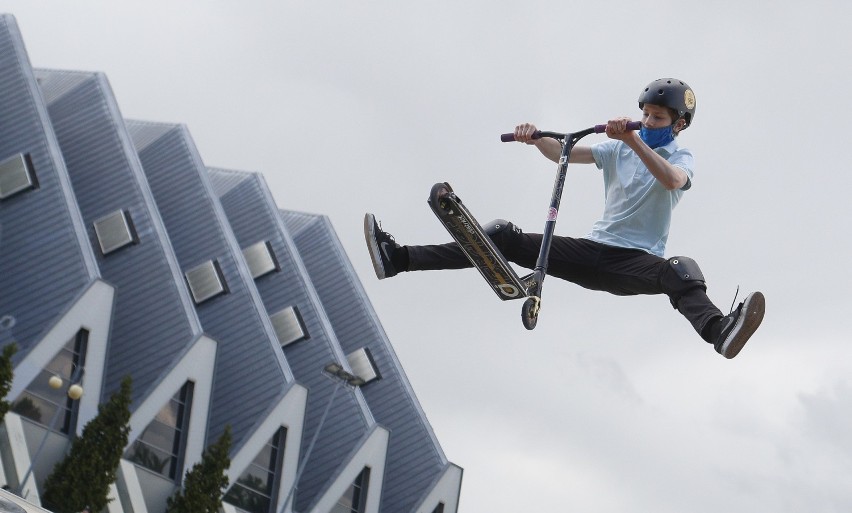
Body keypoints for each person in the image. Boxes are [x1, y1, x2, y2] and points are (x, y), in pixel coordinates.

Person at [364, 78, 765, 358]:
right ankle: (399, 259)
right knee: (502, 235)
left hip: (635, 264)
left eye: (657, 119)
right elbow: (563, 153)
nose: (647, 123)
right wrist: (535, 137)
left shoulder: (679, 156)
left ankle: (719, 332)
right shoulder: (618, 149)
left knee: (680, 271)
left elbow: (673, 179)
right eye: (644, 115)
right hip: (590, 251)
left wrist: (630, 140)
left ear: (678, 123)